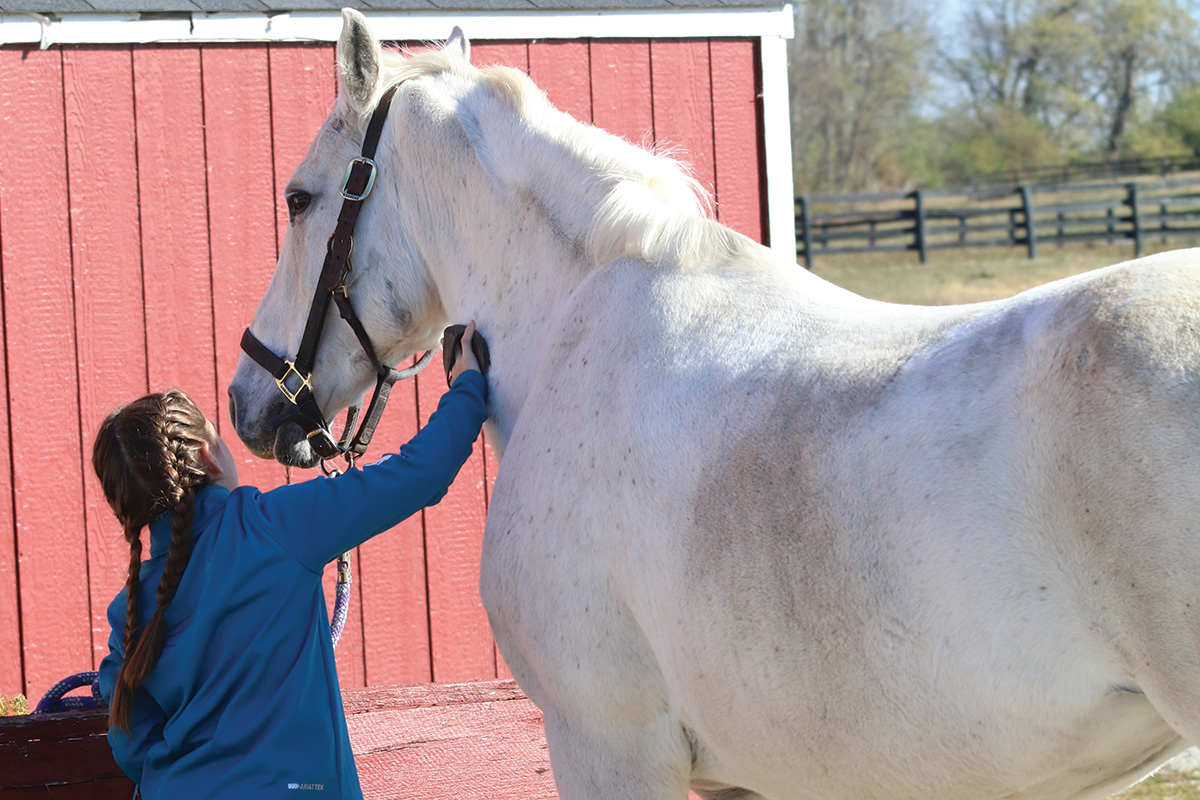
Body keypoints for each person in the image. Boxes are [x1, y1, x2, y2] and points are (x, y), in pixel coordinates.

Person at [95, 322, 487, 799]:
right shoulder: (272, 527)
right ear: (209, 455)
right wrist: (469, 385)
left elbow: (129, 744)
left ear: (126, 511)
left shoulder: (129, 614)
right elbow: (418, 475)